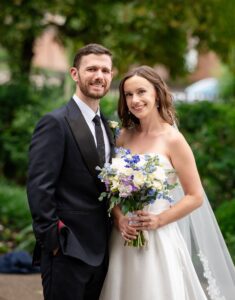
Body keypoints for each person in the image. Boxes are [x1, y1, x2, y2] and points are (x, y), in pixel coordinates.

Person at [99, 66, 235, 300]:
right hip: (123, 238)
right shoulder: (122, 137)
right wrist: (120, 219)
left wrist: (158, 219)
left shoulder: (173, 140)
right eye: (128, 95)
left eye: (141, 92)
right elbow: (112, 190)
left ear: (157, 93)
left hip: (159, 239)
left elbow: (195, 196)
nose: (135, 100)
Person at [27, 43, 115, 300]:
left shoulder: (109, 128)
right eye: (92, 69)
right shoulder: (55, 123)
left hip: (103, 252)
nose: (99, 75)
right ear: (75, 74)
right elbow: (39, 187)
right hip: (67, 250)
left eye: (105, 70)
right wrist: (53, 242)